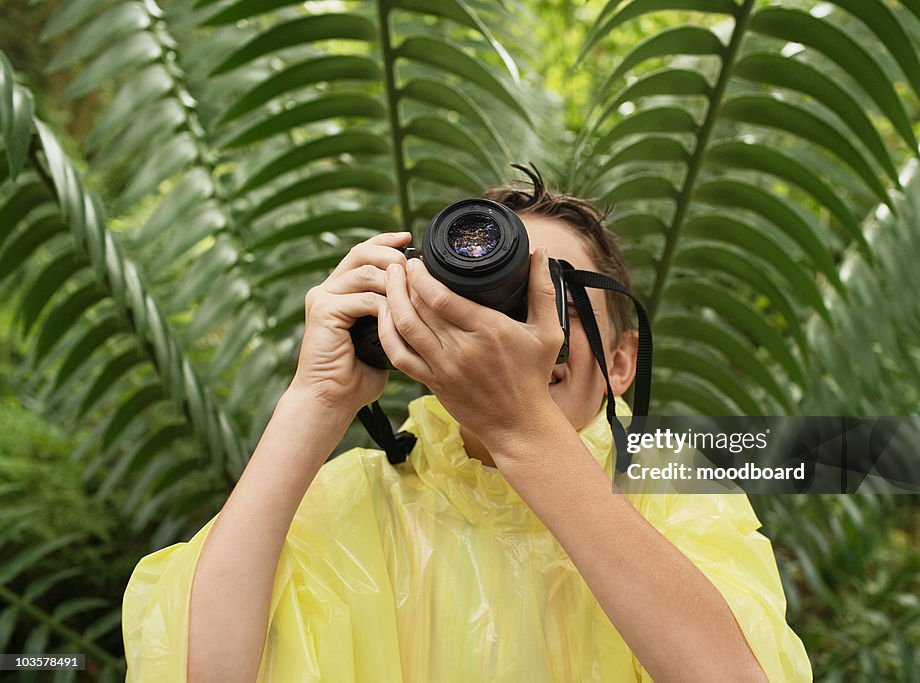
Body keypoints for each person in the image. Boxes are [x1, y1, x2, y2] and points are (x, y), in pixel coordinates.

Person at [122, 170, 812, 682]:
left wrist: (525, 434)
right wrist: (316, 396)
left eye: (558, 297)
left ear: (622, 361)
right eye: (500, 301)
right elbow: (198, 670)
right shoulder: (363, 495)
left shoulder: (671, 483)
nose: (520, 334)